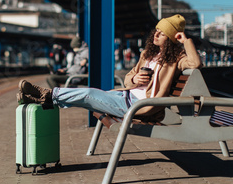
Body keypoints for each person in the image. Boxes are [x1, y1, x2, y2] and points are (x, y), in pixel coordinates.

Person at [17, 14, 202, 122]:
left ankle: (46, 95)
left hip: (138, 106)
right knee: (87, 99)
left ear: (171, 39)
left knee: (88, 94)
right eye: (157, 31)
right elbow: (130, 76)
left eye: (162, 34)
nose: (156, 35)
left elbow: (196, 64)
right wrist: (134, 79)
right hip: (124, 95)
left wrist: (186, 41)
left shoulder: (176, 58)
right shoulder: (147, 54)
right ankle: (42, 99)